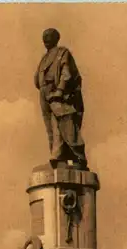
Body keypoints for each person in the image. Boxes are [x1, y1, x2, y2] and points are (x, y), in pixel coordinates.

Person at [34, 28, 88, 170]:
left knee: (66, 122)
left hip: (57, 93)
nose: (45, 39)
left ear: (56, 38)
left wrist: (59, 90)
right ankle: (57, 157)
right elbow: (37, 79)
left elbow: (66, 73)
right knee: (51, 127)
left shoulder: (62, 52)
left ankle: (78, 157)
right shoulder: (44, 58)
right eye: (44, 36)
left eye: (48, 36)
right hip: (45, 95)